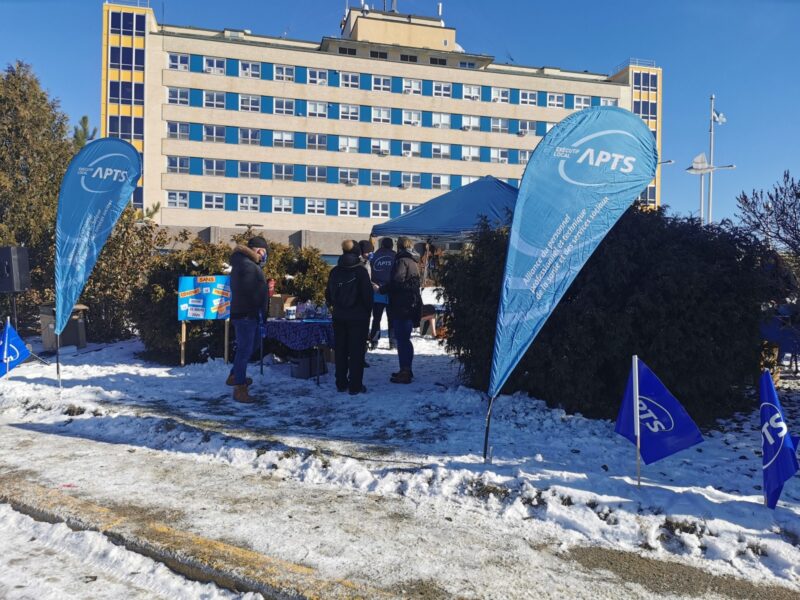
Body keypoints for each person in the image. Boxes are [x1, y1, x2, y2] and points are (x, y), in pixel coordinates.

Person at [325, 240, 373, 395]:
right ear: (358, 252)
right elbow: (368, 296)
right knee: (356, 352)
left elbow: (328, 294)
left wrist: (335, 307)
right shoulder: (360, 271)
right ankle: (355, 385)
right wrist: (367, 312)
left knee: (341, 350)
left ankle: (340, 383)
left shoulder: (335, 270)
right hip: (358, 318)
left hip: (339, 316)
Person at [228, 236, 269, 403]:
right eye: (264, 252)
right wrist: (259, 308)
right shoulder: (248, 266)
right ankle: (240, 387)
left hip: (242, 312)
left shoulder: (242, 263)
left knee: (251, 346)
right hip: (247, 314)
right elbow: (252, 293)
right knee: (245, 350)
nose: (265, 256)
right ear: (258, 250)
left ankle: (235, 374)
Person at [378, 237, 422, 384]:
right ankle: (406, 369)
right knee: (405, 339)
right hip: (410, 304)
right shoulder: (413, 261)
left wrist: (382, 289)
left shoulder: (402, 261)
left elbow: (397, 282)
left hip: (402, 305)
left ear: (400, 246)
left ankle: (405, 371)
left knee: (402, 339)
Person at [368, 237, 396, 350]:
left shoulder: (374, 256)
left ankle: (374, 341)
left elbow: (369, 272)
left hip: (377, 291)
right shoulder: (395, 256)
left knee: (376, 318)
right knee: (392, 318)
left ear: (382, 245)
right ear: (391, 245)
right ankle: (392, 342)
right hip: (391, 291)